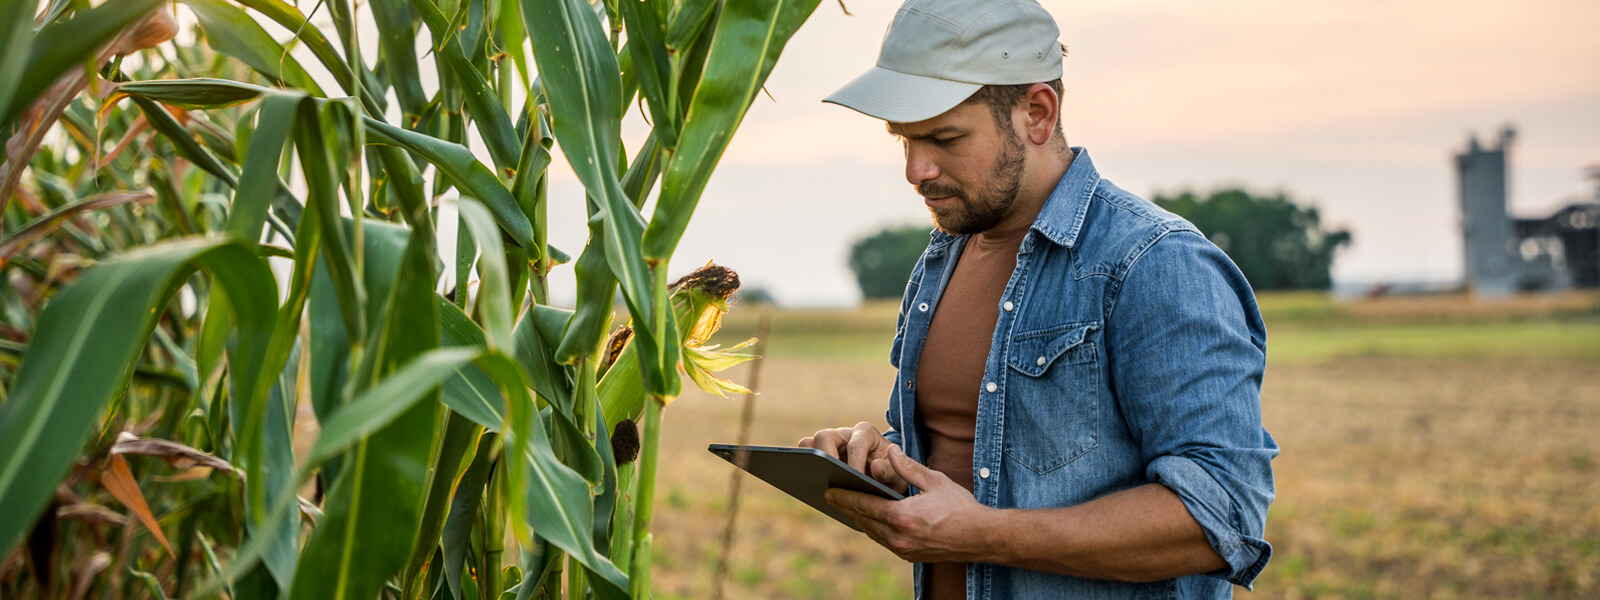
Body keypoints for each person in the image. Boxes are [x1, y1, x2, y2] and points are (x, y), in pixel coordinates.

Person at [798, 0, 1279, 598]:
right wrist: (879, 458)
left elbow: (1223, 517)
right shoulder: (942, 258)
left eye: (945, 138)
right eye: (904, 140)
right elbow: (978, 460)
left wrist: (983, 535)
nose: (916, 169)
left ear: (1037, 113)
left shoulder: (1154, 263)